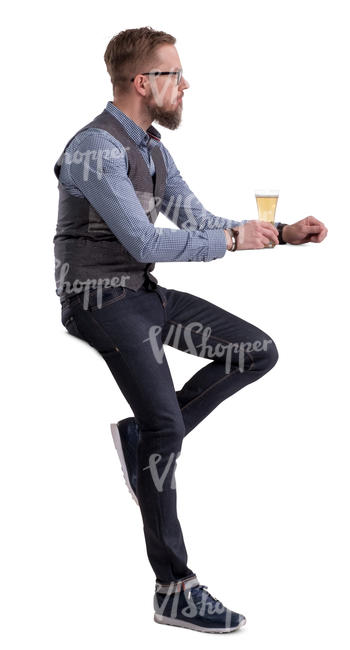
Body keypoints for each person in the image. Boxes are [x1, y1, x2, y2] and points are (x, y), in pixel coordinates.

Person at [53, 26, 328, 634]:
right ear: (142, 82)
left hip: (142, 296)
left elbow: (196, 220)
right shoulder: (95, 148)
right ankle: (174, 587)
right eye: (174, 74)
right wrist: (229, 242)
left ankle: (144, 439)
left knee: (255, 352)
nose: (185, 85)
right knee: (166, 429)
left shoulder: (150, 146)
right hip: (97, 300)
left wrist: (278, 233)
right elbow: (146, 240)